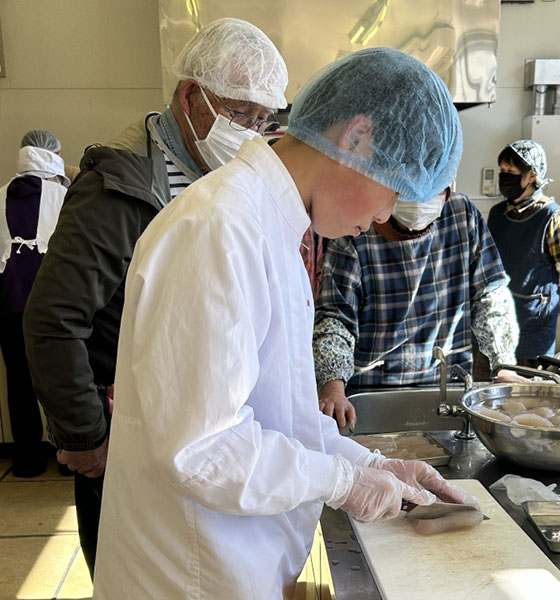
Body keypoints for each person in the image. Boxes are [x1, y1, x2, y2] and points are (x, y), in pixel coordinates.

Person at [92, 48, 479, 600]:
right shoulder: (221, 228)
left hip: (238, 563)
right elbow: (203, 447)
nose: (381, 217)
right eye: (393, 191)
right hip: (192, 576)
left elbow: (285, 418)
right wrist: (343, 482)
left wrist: (373, 464)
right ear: (357, 137)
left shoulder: (271, 225)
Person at [23, 17, 287, 576]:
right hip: (127, 437)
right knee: (134, 574)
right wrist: (86, 435)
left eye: (262, 120)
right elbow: (53, 318)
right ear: (190, 97)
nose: (251, 132)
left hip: (197, 437)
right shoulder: (117, 187)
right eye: (239, 114)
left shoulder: (224, 176)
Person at [313, 183, 523, 428]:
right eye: (405, 193)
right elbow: (336, 315)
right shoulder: (358, 222)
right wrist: (333, 385)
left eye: (431, 191)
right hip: (372, 389)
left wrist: (503, 365)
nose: (418, 204)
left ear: (445, 188)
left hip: (446, 385)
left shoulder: (462, 214)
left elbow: (489, 295)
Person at [0, 130, 69, 477]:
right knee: (64, 378)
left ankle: (28, 460)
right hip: (56, 302)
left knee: (18, 381)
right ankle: (70, 456)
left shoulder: (0, 196)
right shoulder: (66, 196)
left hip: (8, 302)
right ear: (54, 156)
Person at [487, 139, 560, 366]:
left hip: (532, 325)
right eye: (502, 171)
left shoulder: (552, 217)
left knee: (527, 386)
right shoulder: (497, 213)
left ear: (531, 174)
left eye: (510, 171)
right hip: (495, 320)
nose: (504, 177)